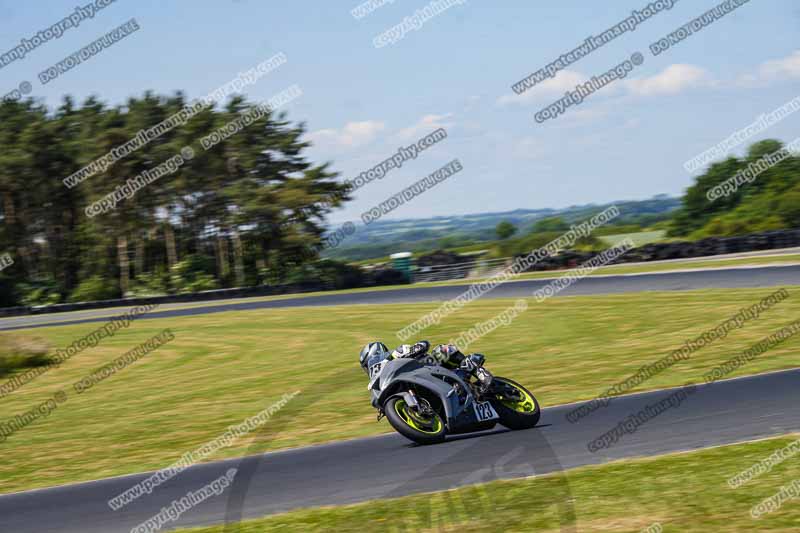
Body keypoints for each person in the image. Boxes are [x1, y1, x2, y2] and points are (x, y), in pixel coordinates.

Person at [359, 340, 492, 390]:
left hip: (429, 367)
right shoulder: (379, 381)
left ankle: (479, 372)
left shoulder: (395, 354)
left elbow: (423, 344)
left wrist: (414, 350)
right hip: (420, 384)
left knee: (442, 350)